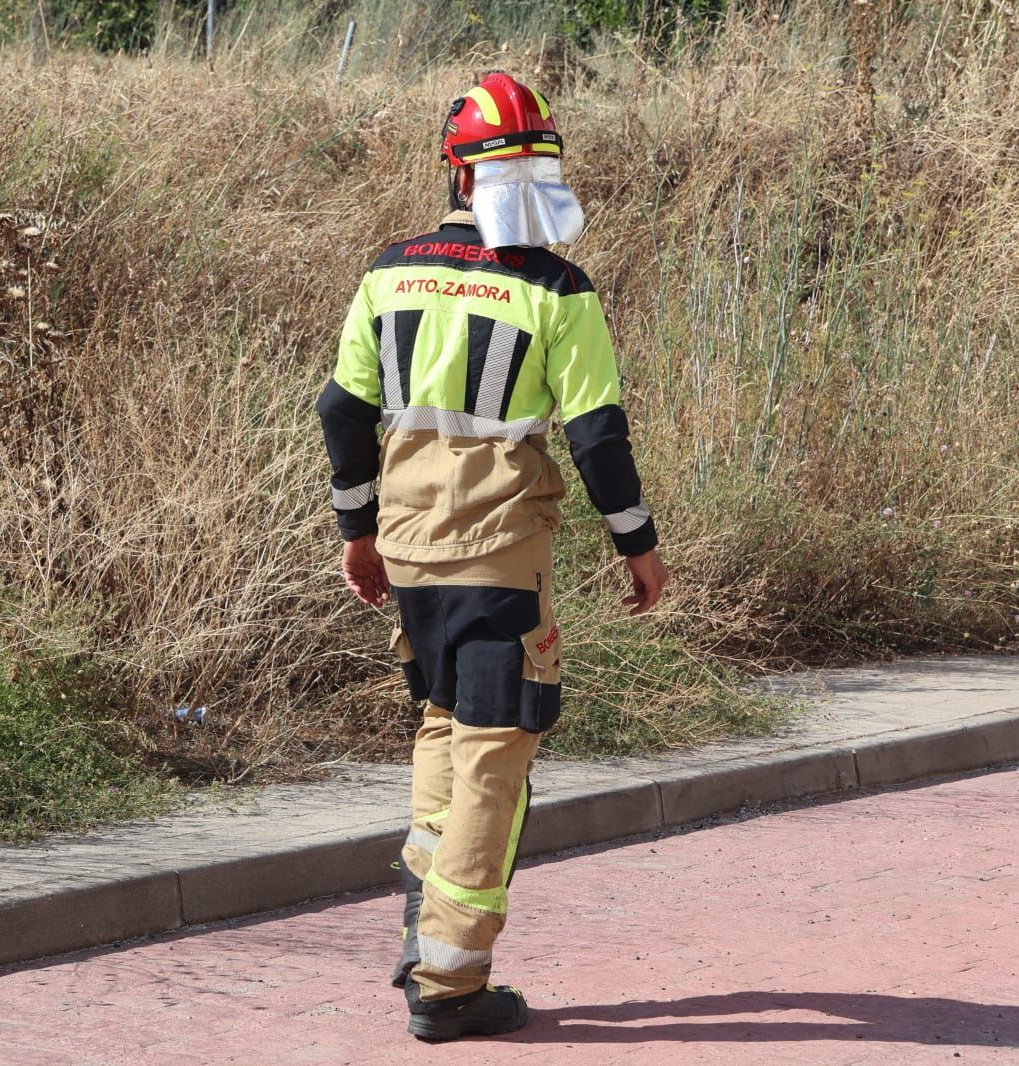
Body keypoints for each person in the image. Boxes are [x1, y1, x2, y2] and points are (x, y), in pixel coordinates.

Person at [315, 72, 669, 1042]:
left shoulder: (388, 271)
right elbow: (596, 436)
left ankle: (421, 922)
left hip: (410, 551)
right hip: (501, 555)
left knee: (441, 721)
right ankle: (450, 981)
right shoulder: (556, 289)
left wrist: (357, 530)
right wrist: (635, 542)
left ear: (453, 172)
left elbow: (342, 410)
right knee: (494, 753)